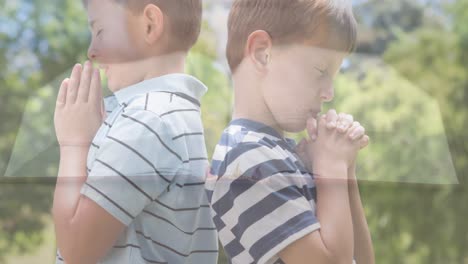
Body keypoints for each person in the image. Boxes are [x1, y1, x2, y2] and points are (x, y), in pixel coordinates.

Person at [205, 0, 375, 263]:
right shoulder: (247, 158)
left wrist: (344, 167)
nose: (329, 93)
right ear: (263, 53)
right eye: (321, 71)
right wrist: (331, 165)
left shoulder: (280, 154)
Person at [52, 0, 218, 263]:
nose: (91, 51)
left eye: (101, 31)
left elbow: (76, 249)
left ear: (150, 24)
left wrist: (73, 144)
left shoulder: (146, 121)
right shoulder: (172, 115)